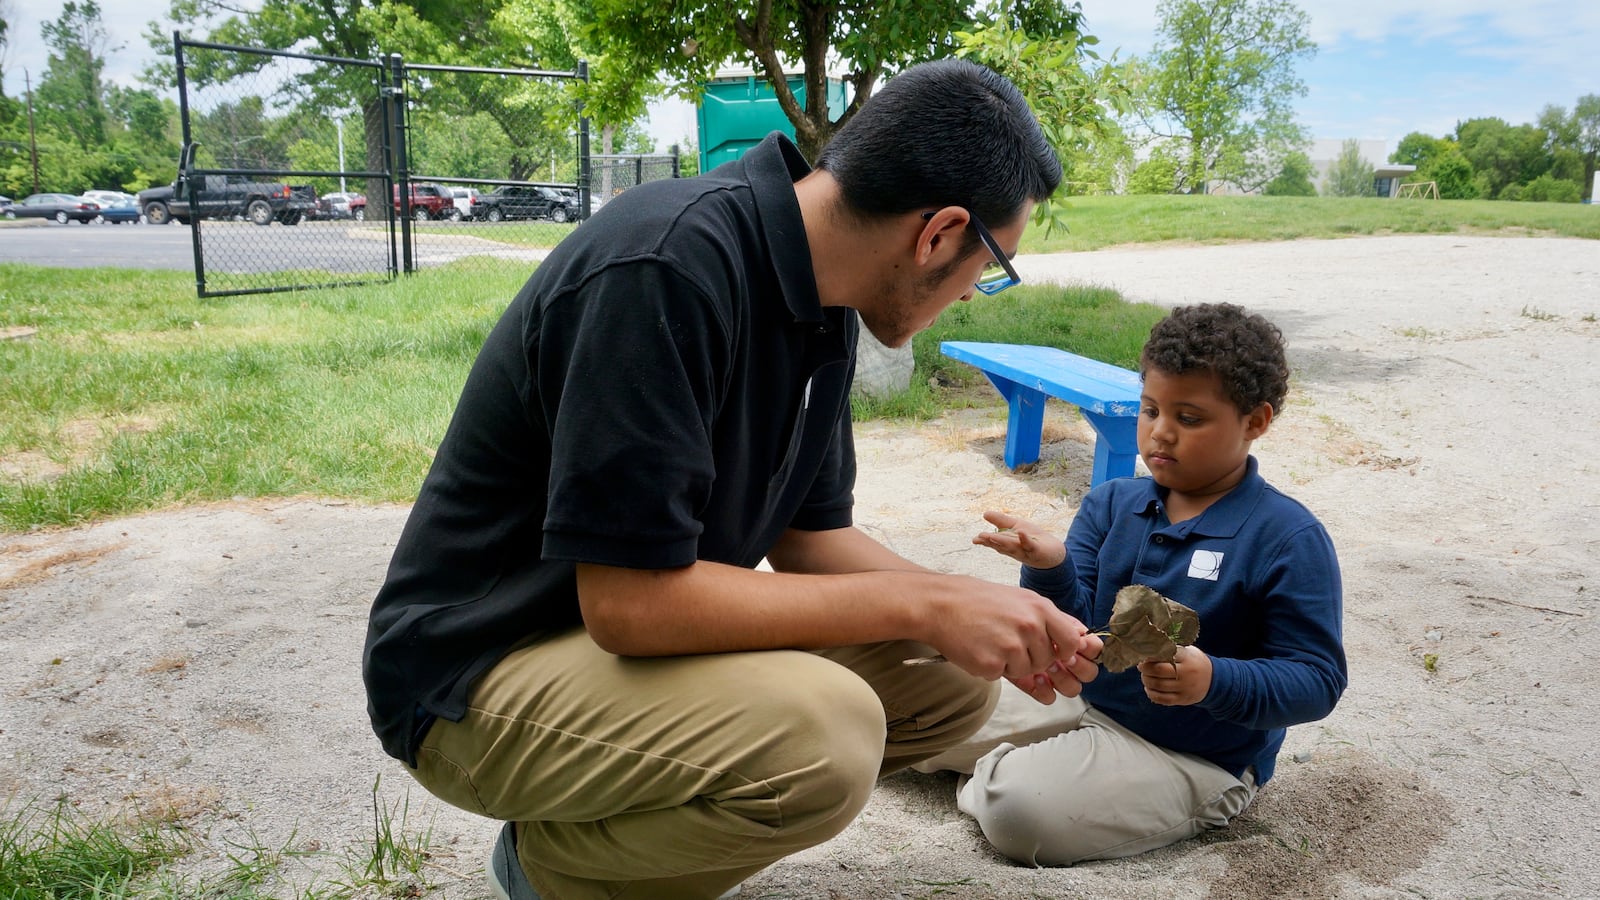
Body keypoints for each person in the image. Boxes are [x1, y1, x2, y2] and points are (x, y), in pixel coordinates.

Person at [362, 59, 1103, 900]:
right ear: (938, 233)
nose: (975, 294)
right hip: (476, 671)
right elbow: (631, 604)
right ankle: (553, 875)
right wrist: (925, 602)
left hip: (601, 648)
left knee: (946, 677)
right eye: (992, 265)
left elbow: (810, 539)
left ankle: (608, 823)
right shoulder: (666, 265)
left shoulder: (823, 290)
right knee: (828, 734)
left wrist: (982, 610)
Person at [944, 302, 1347, 866]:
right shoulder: (1113, 502)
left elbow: (1317, 678)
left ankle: (1012, 773)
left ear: (1255, 421)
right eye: (1150, 408)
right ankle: (1032, 762)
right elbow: (1078, 628)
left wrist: (1214, 679)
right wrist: (1051, 564)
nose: (1160, 432)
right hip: (1087, 700)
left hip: (1192, 755)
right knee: (926, 710)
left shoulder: (1287, 536)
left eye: (1189, 418)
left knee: (1020, 814)